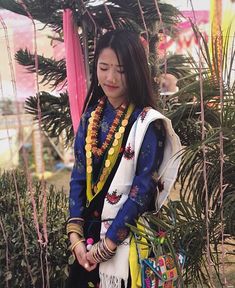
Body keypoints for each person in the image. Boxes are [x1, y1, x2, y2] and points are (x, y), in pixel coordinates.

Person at [66, 29, 181, 288]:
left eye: (121, 70)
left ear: (136, 71)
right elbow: (78, 179)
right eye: (103, 67)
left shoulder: (147, 124)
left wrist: (107, 245)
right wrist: (75, 238)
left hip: (125, 242)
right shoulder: (89, 120)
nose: (110, 77)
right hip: (86, 244)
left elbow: (142, 191)